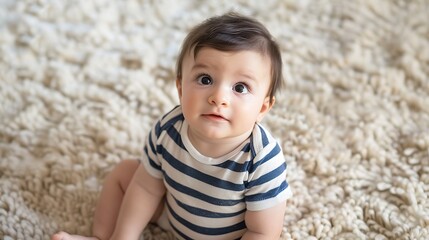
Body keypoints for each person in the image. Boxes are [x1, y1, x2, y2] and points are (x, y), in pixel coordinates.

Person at [52, 12, 292, 240]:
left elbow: (263, 232)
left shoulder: (262, 159)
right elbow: (146, 188)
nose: (219, 97)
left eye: (240, 87)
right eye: (205, 79)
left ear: (262, 108)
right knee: (125, 173)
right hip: (174, 214)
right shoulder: (168, 130)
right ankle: (102, 237)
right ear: (180, 88)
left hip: (229, 235)